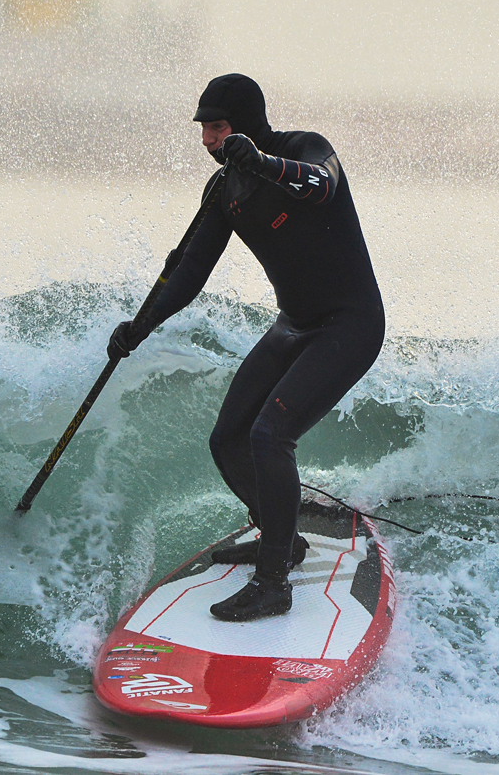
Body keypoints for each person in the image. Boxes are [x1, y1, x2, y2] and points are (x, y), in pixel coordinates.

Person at [107, 74, 385, 622]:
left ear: (247, 126)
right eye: (204, 129)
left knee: (269, 433)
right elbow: (188, 272)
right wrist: (140, 327)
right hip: (295, 324)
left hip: (350, 325)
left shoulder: (304, 150)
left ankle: (273, 583)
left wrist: (262, 162)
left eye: (218, 127)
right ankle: (281, 538)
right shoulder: (225, 191)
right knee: (228, 437)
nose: (208, 140)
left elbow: (320, 185)